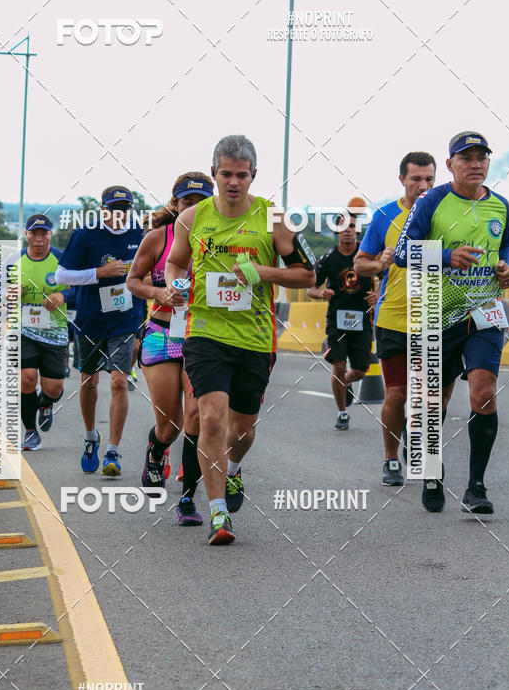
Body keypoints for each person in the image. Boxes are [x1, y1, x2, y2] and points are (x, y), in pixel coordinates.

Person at [165, 135, 315, 545]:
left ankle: (232, 469)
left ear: (254, 176)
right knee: (210, 417)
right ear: (213, 172)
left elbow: (307, 275)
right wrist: (175, 284)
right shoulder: (192, 218)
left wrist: (261, 273)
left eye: (242, 176)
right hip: (205, 332)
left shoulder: (272, 218)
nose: (234, 182)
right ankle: (217, 516)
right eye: (226, 174)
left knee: (243, 431)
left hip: (255, 338)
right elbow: (175, 263)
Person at [394, 131, 509, 514]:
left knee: (483, 391)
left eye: (482, 157)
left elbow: (508, 244)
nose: (475, 164)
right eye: (466, 158)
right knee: (435, 401)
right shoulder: (433, 200)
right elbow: (400, 252)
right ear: (450, 165)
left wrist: (508, 266)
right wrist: (446, 257)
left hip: (485, 313)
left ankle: (476, 487)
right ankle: (431, 469)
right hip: (436, 312)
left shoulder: (501, 206)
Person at [127, 172, 214, 526]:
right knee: (171, 426)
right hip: (163, 334)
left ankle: (189, 498)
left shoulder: (222, 238)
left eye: (200, 202)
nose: (192, 209)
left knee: (196, 419)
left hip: (203, 337)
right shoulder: (157, 238)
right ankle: (157, 450)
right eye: (186, 202)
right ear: (175, 204)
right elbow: (132, 280)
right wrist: (158, 293)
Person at [354, 152, 436, 485]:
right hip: (392, 318)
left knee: (427, 394)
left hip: (432, 318)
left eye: (429, 179)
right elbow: (360, 263)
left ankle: (418, 447)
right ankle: (390, 458)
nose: (423, 185)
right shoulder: (385, 216)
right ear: (402, 179)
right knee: (397, 393)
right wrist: (380, 264)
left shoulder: (443, 213)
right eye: (416, 179)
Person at [56, 186, 144, 476]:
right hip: (91, 319)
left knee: (119, 382)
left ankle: (113, 452)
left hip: (125, 318)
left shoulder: (138, 234)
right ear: (103, 209)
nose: (118, 215)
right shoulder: (86, 234)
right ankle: (92, 436)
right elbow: (62, 275)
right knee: (89, 383)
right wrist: (100, 273)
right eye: (113, 209)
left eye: (124, 209)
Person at [307, 203, 377, 430]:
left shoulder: (366, 254)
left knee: (359, 371)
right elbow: (310, 288)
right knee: (337, 365)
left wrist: (378, 294)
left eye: (352, 226)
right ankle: (343, 413)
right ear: (337, 231)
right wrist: (320, 293)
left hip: (363, 320)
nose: (348, 230)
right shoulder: (328, 259)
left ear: (357, 230)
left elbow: (387, 277)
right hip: (336, 321)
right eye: (343, 226)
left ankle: (344, 383)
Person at [9, 214, 69, 451]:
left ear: (50, 235)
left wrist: (63, 295)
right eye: (34, 233)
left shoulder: (61, 259)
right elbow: (1, 293)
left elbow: (78, 288)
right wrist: (11, 294)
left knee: (53, 388)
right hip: (24, 329)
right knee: (26, 379)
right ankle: (31, 432)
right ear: (27, 235)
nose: (39, 238)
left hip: (54, 330)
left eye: (44, 233)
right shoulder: (15, 262)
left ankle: (46, 404)